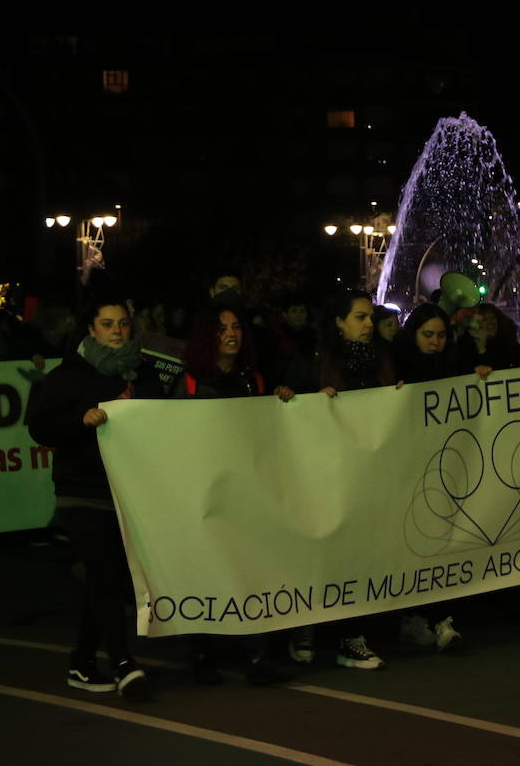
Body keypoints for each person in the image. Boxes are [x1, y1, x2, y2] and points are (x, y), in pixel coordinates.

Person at [26, 297, 165, 699]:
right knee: (104, 571)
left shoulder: (146, 373)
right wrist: (80, 420)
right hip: (83, 491)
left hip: (131, 491)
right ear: (91, 329)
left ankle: (82, 662)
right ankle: (124, 664)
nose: (117, 331)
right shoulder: (69, 375)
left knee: (104, 577)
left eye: (122, 323)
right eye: (107, 324)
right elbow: (40, 427)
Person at [177, 306, 294, 684]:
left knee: (248, 570)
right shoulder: (188, 382)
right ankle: (202, 655)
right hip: (203, 492)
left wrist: (284, 401)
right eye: (222, 328)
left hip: (246, 493)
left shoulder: (255, 380)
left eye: (236, 327)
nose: (231, 333)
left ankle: (256, 656)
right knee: (205, 571)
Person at [312, 291, 397, 668]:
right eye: (360, 318)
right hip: (331, 478)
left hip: (371, 477)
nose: (368, 325)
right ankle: (341, 635)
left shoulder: (382, 362)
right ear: (338, 322)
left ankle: (354, 632)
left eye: (370, 318)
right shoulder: (319, 364)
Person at [390, 303, 464, 650]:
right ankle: (414, 618)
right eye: (427, 335)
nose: (435, 342)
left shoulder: (454, 364)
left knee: (440, 541)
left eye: (441, 336)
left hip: (444, 465)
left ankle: (438, 617)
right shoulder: (396, 365)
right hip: (406, 467)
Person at [457, 303, 520, 378]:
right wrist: (481, 350)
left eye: (493, 317)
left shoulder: (508, 342)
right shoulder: (466, 347)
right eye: (484, 319)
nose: (491, 323)